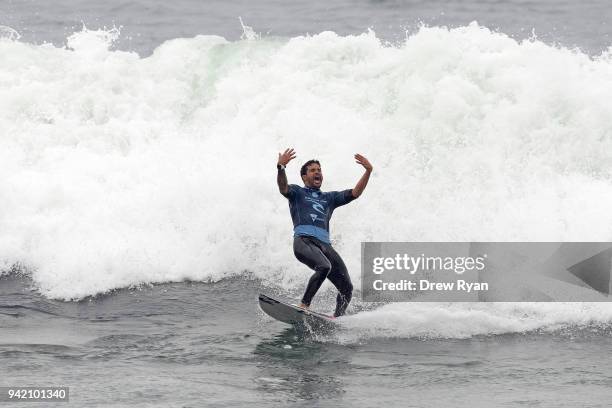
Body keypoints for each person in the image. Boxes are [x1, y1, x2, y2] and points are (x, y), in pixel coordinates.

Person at [276, 148, 372, 317]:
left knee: (347, 287)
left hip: (324, 245)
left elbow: (355, 193)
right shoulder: (297, 192)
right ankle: (304, 304)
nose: (317, 172)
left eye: (319, 170)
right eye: (313, 170)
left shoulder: (329, 198)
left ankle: (336, 318)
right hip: (303, 241)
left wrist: (368, 171)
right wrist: (281, 167)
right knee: (324, 266)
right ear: (304, 177)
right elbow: (283, 187)